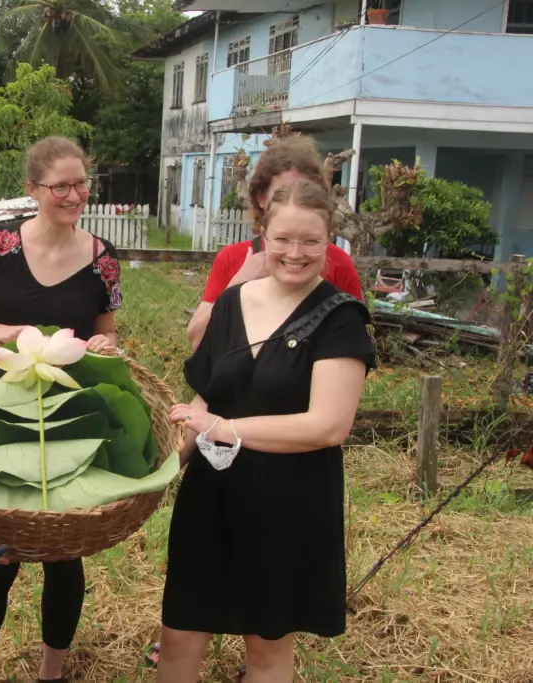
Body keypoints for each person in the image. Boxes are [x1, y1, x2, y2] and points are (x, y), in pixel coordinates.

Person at [157, 180, 376, 683]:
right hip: (212, 494)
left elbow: (327, 426)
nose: (295, 253)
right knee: (178, 635)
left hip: (289, 503)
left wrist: (226, 428)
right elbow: (204, 399)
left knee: (268, 647)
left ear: (329, 242)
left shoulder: (341, 319)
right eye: (282, 239)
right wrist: (165, 467)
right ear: (261, 234)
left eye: (310, 242)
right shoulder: (232, 303)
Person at [0, 136, 122, 683]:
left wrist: (102, 349)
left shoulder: (102, 259)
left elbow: (107, 338)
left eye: (81, 184)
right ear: (32, 190)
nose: (74, 195)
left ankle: (52, 674)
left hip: (68, 418)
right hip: (0, 412)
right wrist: (1, 330)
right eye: (61, 186)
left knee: (64, 555)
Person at [185, 135, 363, 352]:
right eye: (282, 193)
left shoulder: (339, 263)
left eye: (307, 193)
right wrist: (237, 285)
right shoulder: (234, 259)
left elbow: (352, 345)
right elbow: (197, 341)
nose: (295, 202)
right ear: (261, 197)